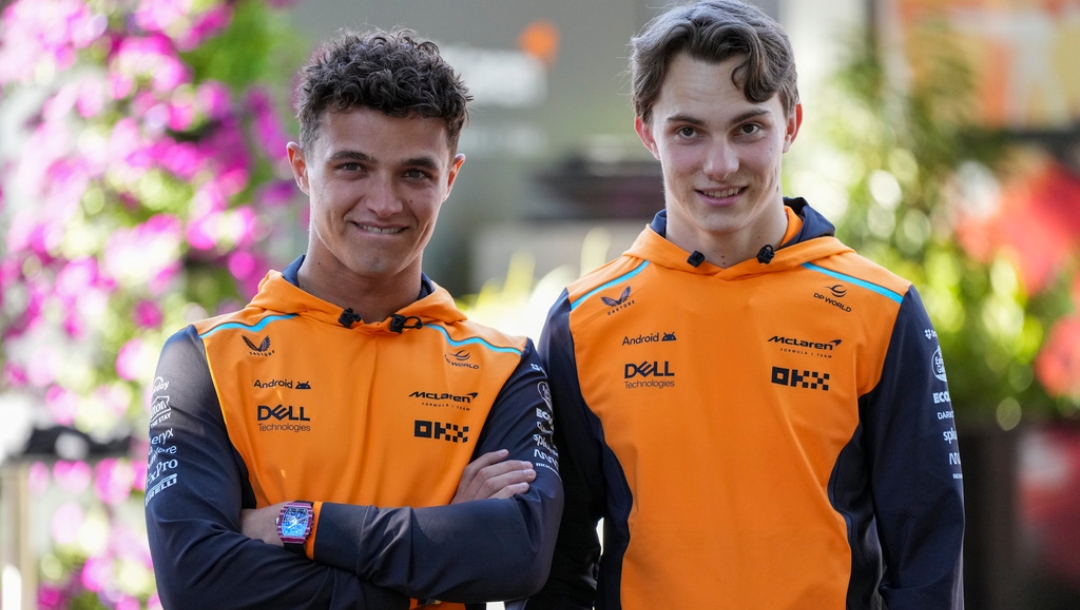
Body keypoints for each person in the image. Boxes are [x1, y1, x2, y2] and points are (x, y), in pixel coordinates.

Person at [527, 1, 965, 608]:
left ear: (791, 124)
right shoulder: (583, 321)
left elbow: (928, 563)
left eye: (747, 127)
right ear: (646, 131)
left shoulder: (882, 311)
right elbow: (554, 567)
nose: (720, 164)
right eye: (688, 131)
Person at [144, 28, 562, 610]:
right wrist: (435, 547)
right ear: (301, 167)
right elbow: (196, 579)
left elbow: (515, 553)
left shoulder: (506, 368)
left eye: (415, 173)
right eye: (353, 167)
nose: (384, 202)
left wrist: (300, 524)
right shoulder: (206, 361)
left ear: (452, 178)